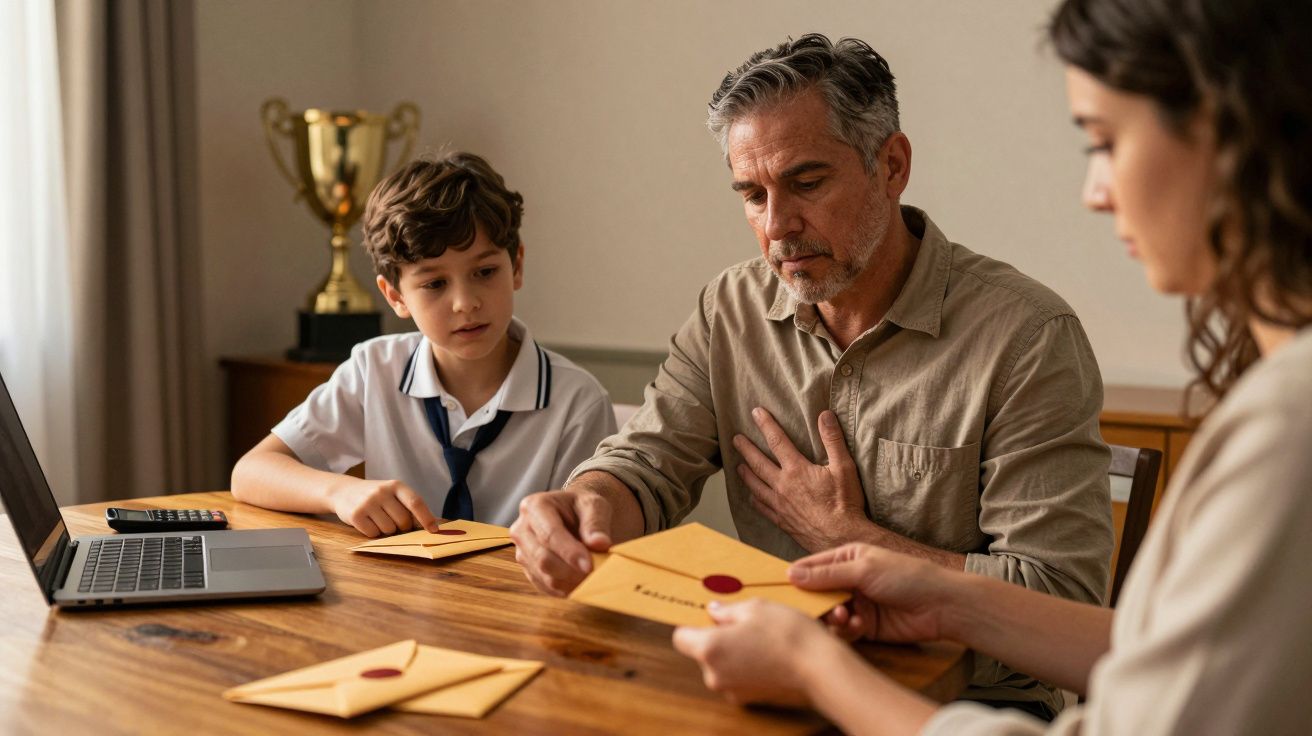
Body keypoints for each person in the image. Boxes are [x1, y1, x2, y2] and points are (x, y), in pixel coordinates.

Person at [672, 1, 1312, 733]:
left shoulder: (1287, 428)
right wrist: (938, 596)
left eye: (1104, 141)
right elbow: (1164, 658)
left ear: (1231, 141)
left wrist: (818, 669)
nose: (1094, 193)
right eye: (753, 195)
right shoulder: (726, 305)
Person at [512, 33, 1112, 717]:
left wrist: (854, 540)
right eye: (751, 194)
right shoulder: (727, 309)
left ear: (892, 164)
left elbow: (1060, 598)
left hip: (971, 711)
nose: (777, 226)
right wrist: (586, 503)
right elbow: (646, 463)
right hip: (767, 686)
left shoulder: (1027, 337)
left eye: (806, 183)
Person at [231, 152, 616, 536]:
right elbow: (250, 472)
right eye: (434, 283)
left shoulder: (577, 402)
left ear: (516, 266)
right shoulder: (374, 370)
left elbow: (586, 538)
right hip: (397, 592)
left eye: (484, 272)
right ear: (395, 296)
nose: (466, 303)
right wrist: (339, 492)